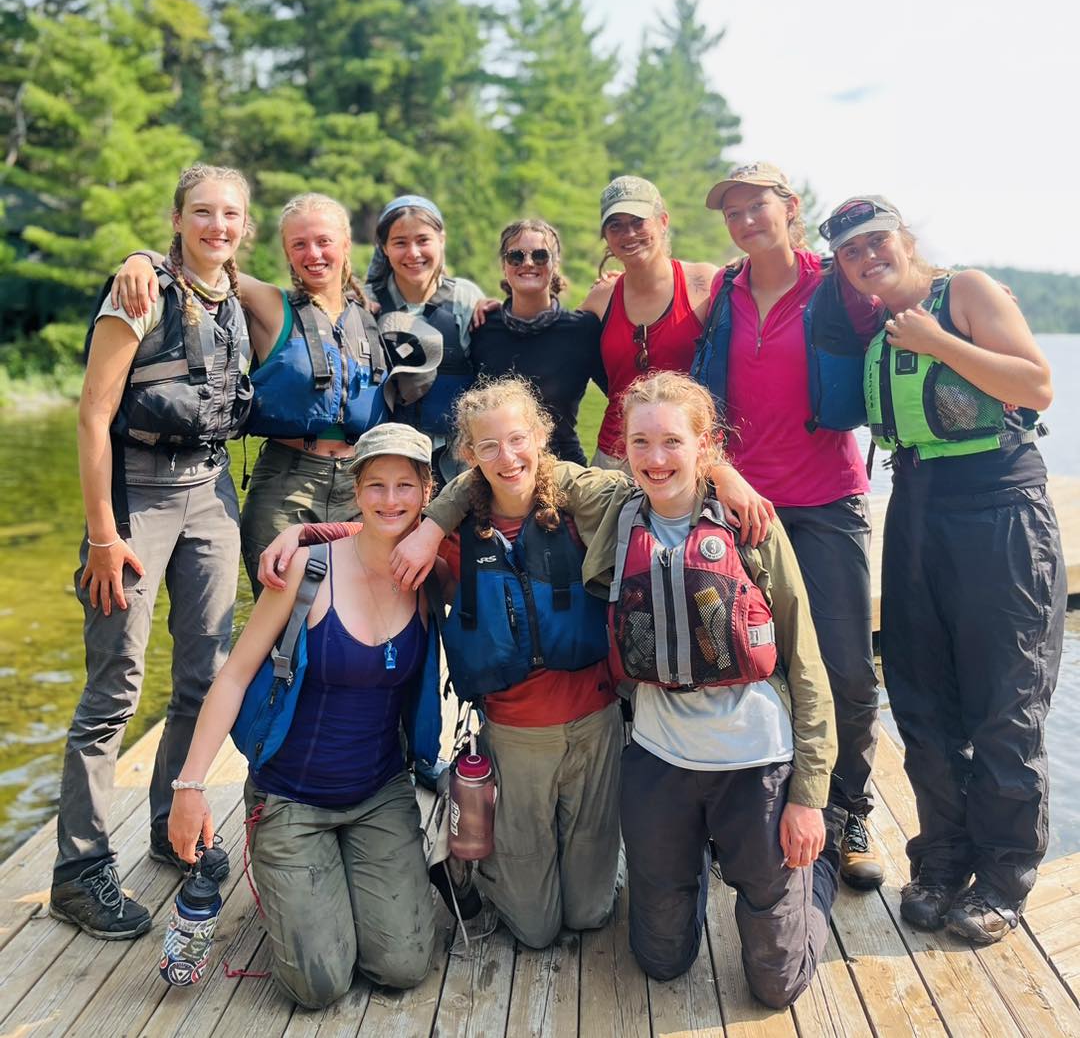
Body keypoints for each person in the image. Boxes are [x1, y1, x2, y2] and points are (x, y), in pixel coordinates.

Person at [383, 371, 840, 1008]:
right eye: (640, 443)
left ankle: (816, 872)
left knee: (776, 985)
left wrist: (811, 795)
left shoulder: (739, 525)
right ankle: (685, 877)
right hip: (655, 754)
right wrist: (432, 521)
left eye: (673, 443)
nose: (656, 459)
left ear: (704, 445)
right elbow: (491, 471)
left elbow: (809, 664)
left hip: (747, 756)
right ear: (623, 446)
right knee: (649, 957)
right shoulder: (620, 518)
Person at [257, 378, 622, 950]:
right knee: (536, 928)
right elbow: (377, 532)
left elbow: (654, 493)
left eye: (518, 440)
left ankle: (569, 862)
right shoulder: (449, 539)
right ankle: (472, 868)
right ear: (469, 457)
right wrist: (303, 533)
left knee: (591, 912)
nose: (508, 457)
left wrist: (722, 475)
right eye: (489, 447)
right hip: (518, 733)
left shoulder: (579, 511)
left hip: (596, 723)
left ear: (541, 439)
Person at [824, 194, 1066, 945]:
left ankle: (1002, 878)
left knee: (1006, 701)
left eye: (876, 240)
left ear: (903, 238)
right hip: (918, 506)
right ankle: (942, 860)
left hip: (999, 504)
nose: (867, 256)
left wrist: (938, 340)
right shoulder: (876, 328)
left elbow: (1036, 384)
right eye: (850, 251)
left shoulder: (963, 292)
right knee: (924, 700)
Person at [168, 425, 440, 1008]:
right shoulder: (307, 571)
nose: (390, 501)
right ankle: (288, 879)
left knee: (403, 964)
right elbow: (235, 674)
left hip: (381, 791)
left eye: (404, 486)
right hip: (293, 795)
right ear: (355, 491)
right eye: (375, 486)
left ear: (426, 492)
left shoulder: (426, 573)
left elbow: (493, 483)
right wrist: (189, 785)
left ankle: (340, 881)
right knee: (319, 985)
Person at [49, 164, 253, 941]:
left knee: (204, 671)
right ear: (177, 217)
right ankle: (79, 869)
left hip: (212, 494)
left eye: (230, 214)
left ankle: (173, 824)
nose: (217, 226)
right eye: (202, 212)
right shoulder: (138, 291)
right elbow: (93, 415)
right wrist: (102, 534)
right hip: (137, 494)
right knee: (116, 684)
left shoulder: (233, 294)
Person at [691, 161, 884, 890]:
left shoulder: (834, 283)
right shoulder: (722, 294)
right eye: (731, 212)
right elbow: (694, 402)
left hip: (827, 499)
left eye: (756, 206)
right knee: (740, 657)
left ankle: (849, 810)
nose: (744, 221)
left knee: (844, 666)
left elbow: (897, 299)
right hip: (740, 505)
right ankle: (749, 806)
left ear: (789, 208)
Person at [110, 192, 388, 590]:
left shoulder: (370, 316)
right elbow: (199, 266)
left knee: (356, 613)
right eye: (299, 244)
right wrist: (140, 258)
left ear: (346, 244)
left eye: (324, 241)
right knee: (283, 621)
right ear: (287, 253)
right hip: (287, 485)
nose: (313, 253)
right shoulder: (271, 305)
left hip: (361, 483)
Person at [580, 176, 718, 468]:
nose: (628, 233)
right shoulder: (600, 298)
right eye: (615, 225)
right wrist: (492, 308)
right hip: (615, 460)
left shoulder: (703, 284)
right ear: (605, 235)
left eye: (638, 221)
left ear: (663, 221)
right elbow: (553, 340)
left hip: (687, 457)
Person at [366, 195, 497, 484]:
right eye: (400, 242)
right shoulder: (366, 303)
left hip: (455, 462)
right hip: (387, 455)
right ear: (385, 248)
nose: (413, 253)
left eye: (423, 240)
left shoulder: (465, 298)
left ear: (441, 240)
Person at [470, 219, 606, 463]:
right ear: (504, 265)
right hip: (500, 469)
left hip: (563, 469)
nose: (528, 263)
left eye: (540, 255)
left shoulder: (582, 330)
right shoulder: (481, 327)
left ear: (555, 264)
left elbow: (620, 395)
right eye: (516, 257)